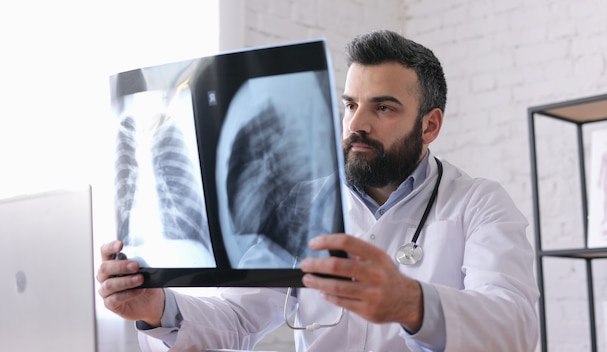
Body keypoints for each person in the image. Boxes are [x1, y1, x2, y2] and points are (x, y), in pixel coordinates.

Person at [97, 29, 539, 351]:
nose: (356, 125)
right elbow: (236, 320)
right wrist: (157, 306)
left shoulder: (479, 204)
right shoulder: (301, 204)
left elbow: (515, 326)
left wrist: (409, 302)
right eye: (350, 105)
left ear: (430, 125)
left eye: (383, 107)